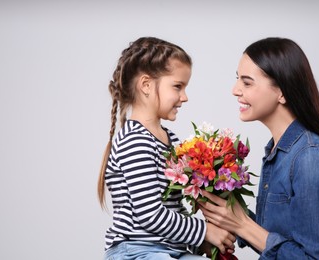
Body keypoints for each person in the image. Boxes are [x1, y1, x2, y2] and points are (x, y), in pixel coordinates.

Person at [199, 37, 319, 259]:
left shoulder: (311, 159)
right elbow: (280, 240)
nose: (235, 90)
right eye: (237, 80)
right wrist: (227, 215)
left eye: (247, 82)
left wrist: (243, 225)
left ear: (282, 92)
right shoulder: (278, 152)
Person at [97, 37, 235, 260]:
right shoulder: (135, 140)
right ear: (146, 85)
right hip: (136, 251)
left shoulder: (170, 139)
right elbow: (150, 214)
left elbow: (174, 207)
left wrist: (202, 245)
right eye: (178, 87)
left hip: (171, 251)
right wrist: (205, 232)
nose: (184, 97)